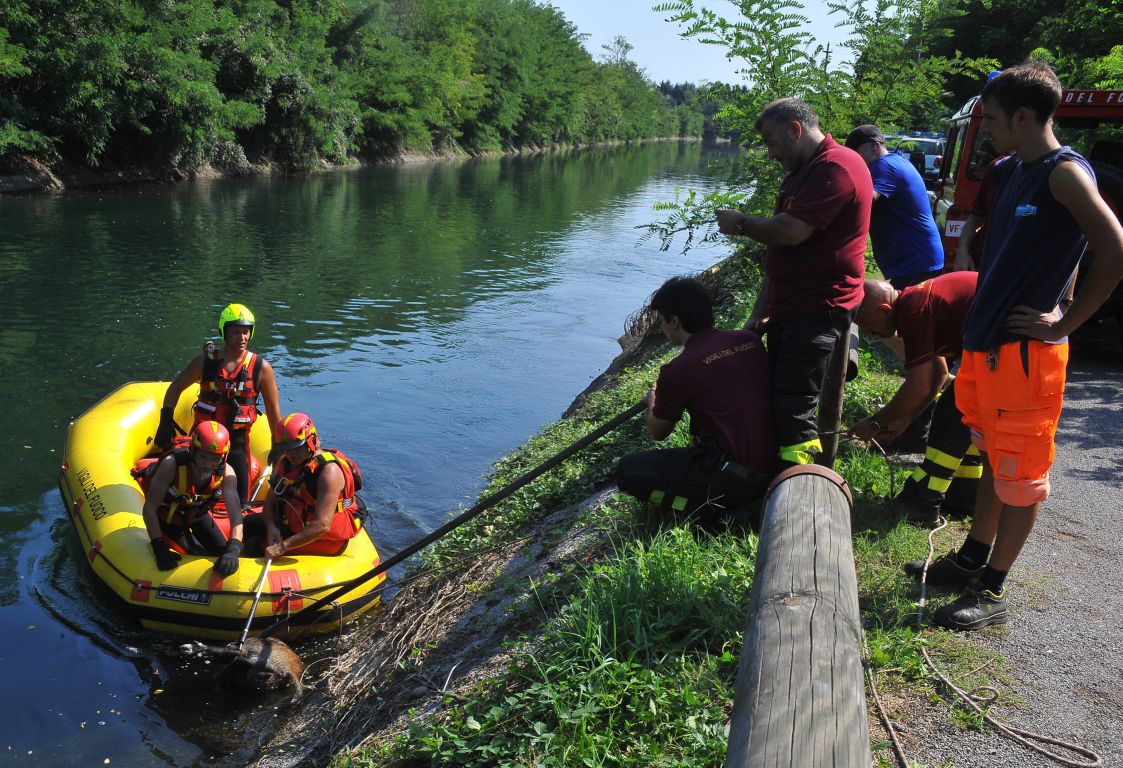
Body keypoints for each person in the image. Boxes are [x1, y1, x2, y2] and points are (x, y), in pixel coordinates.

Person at [906, 61, 1123, 631]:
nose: (991, 132)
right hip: (988, 348)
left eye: (995, 120)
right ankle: (972, 557)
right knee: (991, 460)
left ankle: (993, 591)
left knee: (1021, 479)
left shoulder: (1064, 173)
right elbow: (1063, 250)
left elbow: (1111, 243)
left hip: (1027, 358)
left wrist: (1062, 322)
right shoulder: (1011, 170)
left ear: (1025, 116)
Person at [715, 98, 872, 468]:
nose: (770, 153)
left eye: (771, 142)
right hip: (793, 307)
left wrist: (741, 224)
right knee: (783, 401)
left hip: (818, 308)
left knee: (795, 408)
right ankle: (781, 484)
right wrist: (759, 312)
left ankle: (802, 490)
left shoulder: (836, 167)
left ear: (795, 130)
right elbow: (778, 252)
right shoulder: (802, 173)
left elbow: (791, 232)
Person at [614, 276, 775, 525]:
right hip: (774, 463)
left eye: (662, 321)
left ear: (675, 320)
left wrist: (652, 402)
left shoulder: (678, 369)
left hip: (733, 475)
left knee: (627, 472)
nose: (661, 329)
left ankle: (708, 513)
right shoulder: (747, 340)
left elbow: (658, 431)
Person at [849, 273, 982, 526]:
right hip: (997, 349)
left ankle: (920, 505)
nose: (866, 332)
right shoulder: (915, 302)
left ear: (884, 308)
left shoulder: (913, 309)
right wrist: (907, 418)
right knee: (964, 412)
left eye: (865, 322)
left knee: (953, 416)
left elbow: (918, 385)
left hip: (1009, 349)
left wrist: (875, 423)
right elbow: (939, 373)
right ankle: (963, 499)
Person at [154, 303, 282, 505]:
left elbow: (273, 410)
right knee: (183, 497)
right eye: (236, 331)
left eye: (246, 331)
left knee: (242, 504)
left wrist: (277, 444)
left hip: (238, 445)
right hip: (200, 444)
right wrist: (166, 420)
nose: (242, 337)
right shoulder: (206, 361)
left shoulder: (261, 368)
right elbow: (176, 387)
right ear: (224, 331)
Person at [246, 413, 364, 557]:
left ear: (311, 441)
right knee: (249, 523)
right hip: (296, 523)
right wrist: (272, 528)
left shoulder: (328, 472)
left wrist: (282, 547)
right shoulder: (284, 463)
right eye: (286, 448)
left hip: (325, 537)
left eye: (296, 447)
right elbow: (270, 500)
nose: (291, 453)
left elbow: (322, 525)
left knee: (255, 545)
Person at [845, 124, 944, 289]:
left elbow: (862, 201)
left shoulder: (883, 166)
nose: (853, 161)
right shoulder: (894, 160)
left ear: (875, 147)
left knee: (897, 312)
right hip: (918, 260)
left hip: (916, 261)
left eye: (855, 154)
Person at [141, 420, 243, 575]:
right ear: (193, 451)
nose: (208, 465)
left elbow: (236, 517)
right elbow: (149, 509)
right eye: (203, 457)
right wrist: (158, 546)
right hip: (168, 519)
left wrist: (234, 548)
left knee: (223, 552)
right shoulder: (171, 465)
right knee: (197, 554)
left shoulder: (227, 473)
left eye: (215, 459)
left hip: (196, 515)